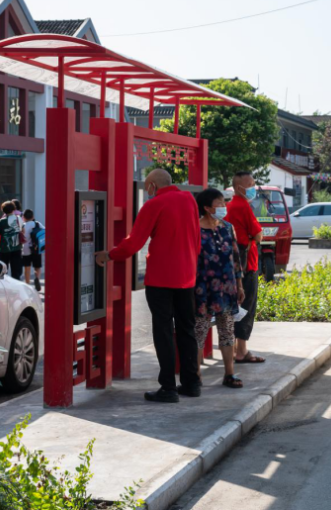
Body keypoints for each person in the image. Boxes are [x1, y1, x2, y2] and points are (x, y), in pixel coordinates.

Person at [95, 169, 201, 403]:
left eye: (147, 187)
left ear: (152, 185)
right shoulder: (188, 200)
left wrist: (109, 255)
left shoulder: (153, 205)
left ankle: (168, 388)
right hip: (187, 276)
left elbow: (134, 242)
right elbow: (196, 239)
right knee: (187, 330)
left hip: (162, 279)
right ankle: (192, 383)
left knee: (163, 332)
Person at [194, 188, 246, 389]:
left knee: (227, 331)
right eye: (219, 204)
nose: (224, 207)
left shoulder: (227, 227)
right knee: (199, 331)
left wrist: (239, 285)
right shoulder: (195, 229)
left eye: (224, 203)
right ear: (207, 208)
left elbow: (235, 258)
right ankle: (196, 376)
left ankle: (229, 374)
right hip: (203, 289)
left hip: (227, 287)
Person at [226, 171, 266, 365]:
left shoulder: (230, 206)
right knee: (246, 306)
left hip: (235, 262)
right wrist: (254, 237)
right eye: (249, 184)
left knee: (237, 306)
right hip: (246, 263)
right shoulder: (242, 206)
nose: (253, 187)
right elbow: (258, 235)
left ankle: (236, 348)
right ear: (239, 188)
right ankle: (241, 350)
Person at [0, 201, 24, 281]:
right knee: (16, 271)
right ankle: (16, 286)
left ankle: (4, 285)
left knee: (3, 270)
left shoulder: (2, 221)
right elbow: (22, 231)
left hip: (5, 249)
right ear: (14, 209)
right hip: (17, 248)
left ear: (3, 210)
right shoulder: (19, 219)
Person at [22, 209, 43, 291]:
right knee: (37, 266)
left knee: (27, 267)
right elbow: (44, 232)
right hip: (36, 248)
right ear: (33, 216)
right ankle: (37, 277)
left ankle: (27, 285)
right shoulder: (37, 224)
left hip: (25, 249)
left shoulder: (23, 226)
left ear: (23, 217)